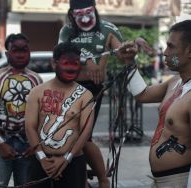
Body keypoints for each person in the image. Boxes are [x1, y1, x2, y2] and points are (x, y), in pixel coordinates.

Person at [58, 0, 152, 187]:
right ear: (71, 14)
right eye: (79, 15)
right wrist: (86, 60)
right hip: (69, 87)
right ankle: (85, 178)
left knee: (82, 137)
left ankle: (102, 179)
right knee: (73, 136)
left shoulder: (107, 28)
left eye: (88, 13)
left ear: (95, 10)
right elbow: (60, 52)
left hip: (93, 89)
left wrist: (131, 49)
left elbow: (121, 53)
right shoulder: (67, 31)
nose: (84, 19)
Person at [126, 20, 191, 187]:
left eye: (171, 46)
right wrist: (129, 62)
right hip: (160, 181)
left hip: (179, 180)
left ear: (190, 50)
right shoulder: (175, 81)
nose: (165, 52)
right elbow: (142, 95)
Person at [25, 41, 94, 188]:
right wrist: (42, 158)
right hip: (40, 161)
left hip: (73, 162)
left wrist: (66, 158)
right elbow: (29, 127)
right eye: (66, 63)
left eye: (75, 63)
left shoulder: (85, 95)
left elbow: (85, 132)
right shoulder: (37, 92)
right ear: (54, 63)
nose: (70, 68)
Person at [0, 33, 43, 186]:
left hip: (28, 146)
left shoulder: (37, 79)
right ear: (7, 53)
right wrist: (0, 143)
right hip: (1, 142)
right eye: (16, 50)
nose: (20, 54)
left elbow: (41, 116)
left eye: (24, 50)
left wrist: (35, 144)